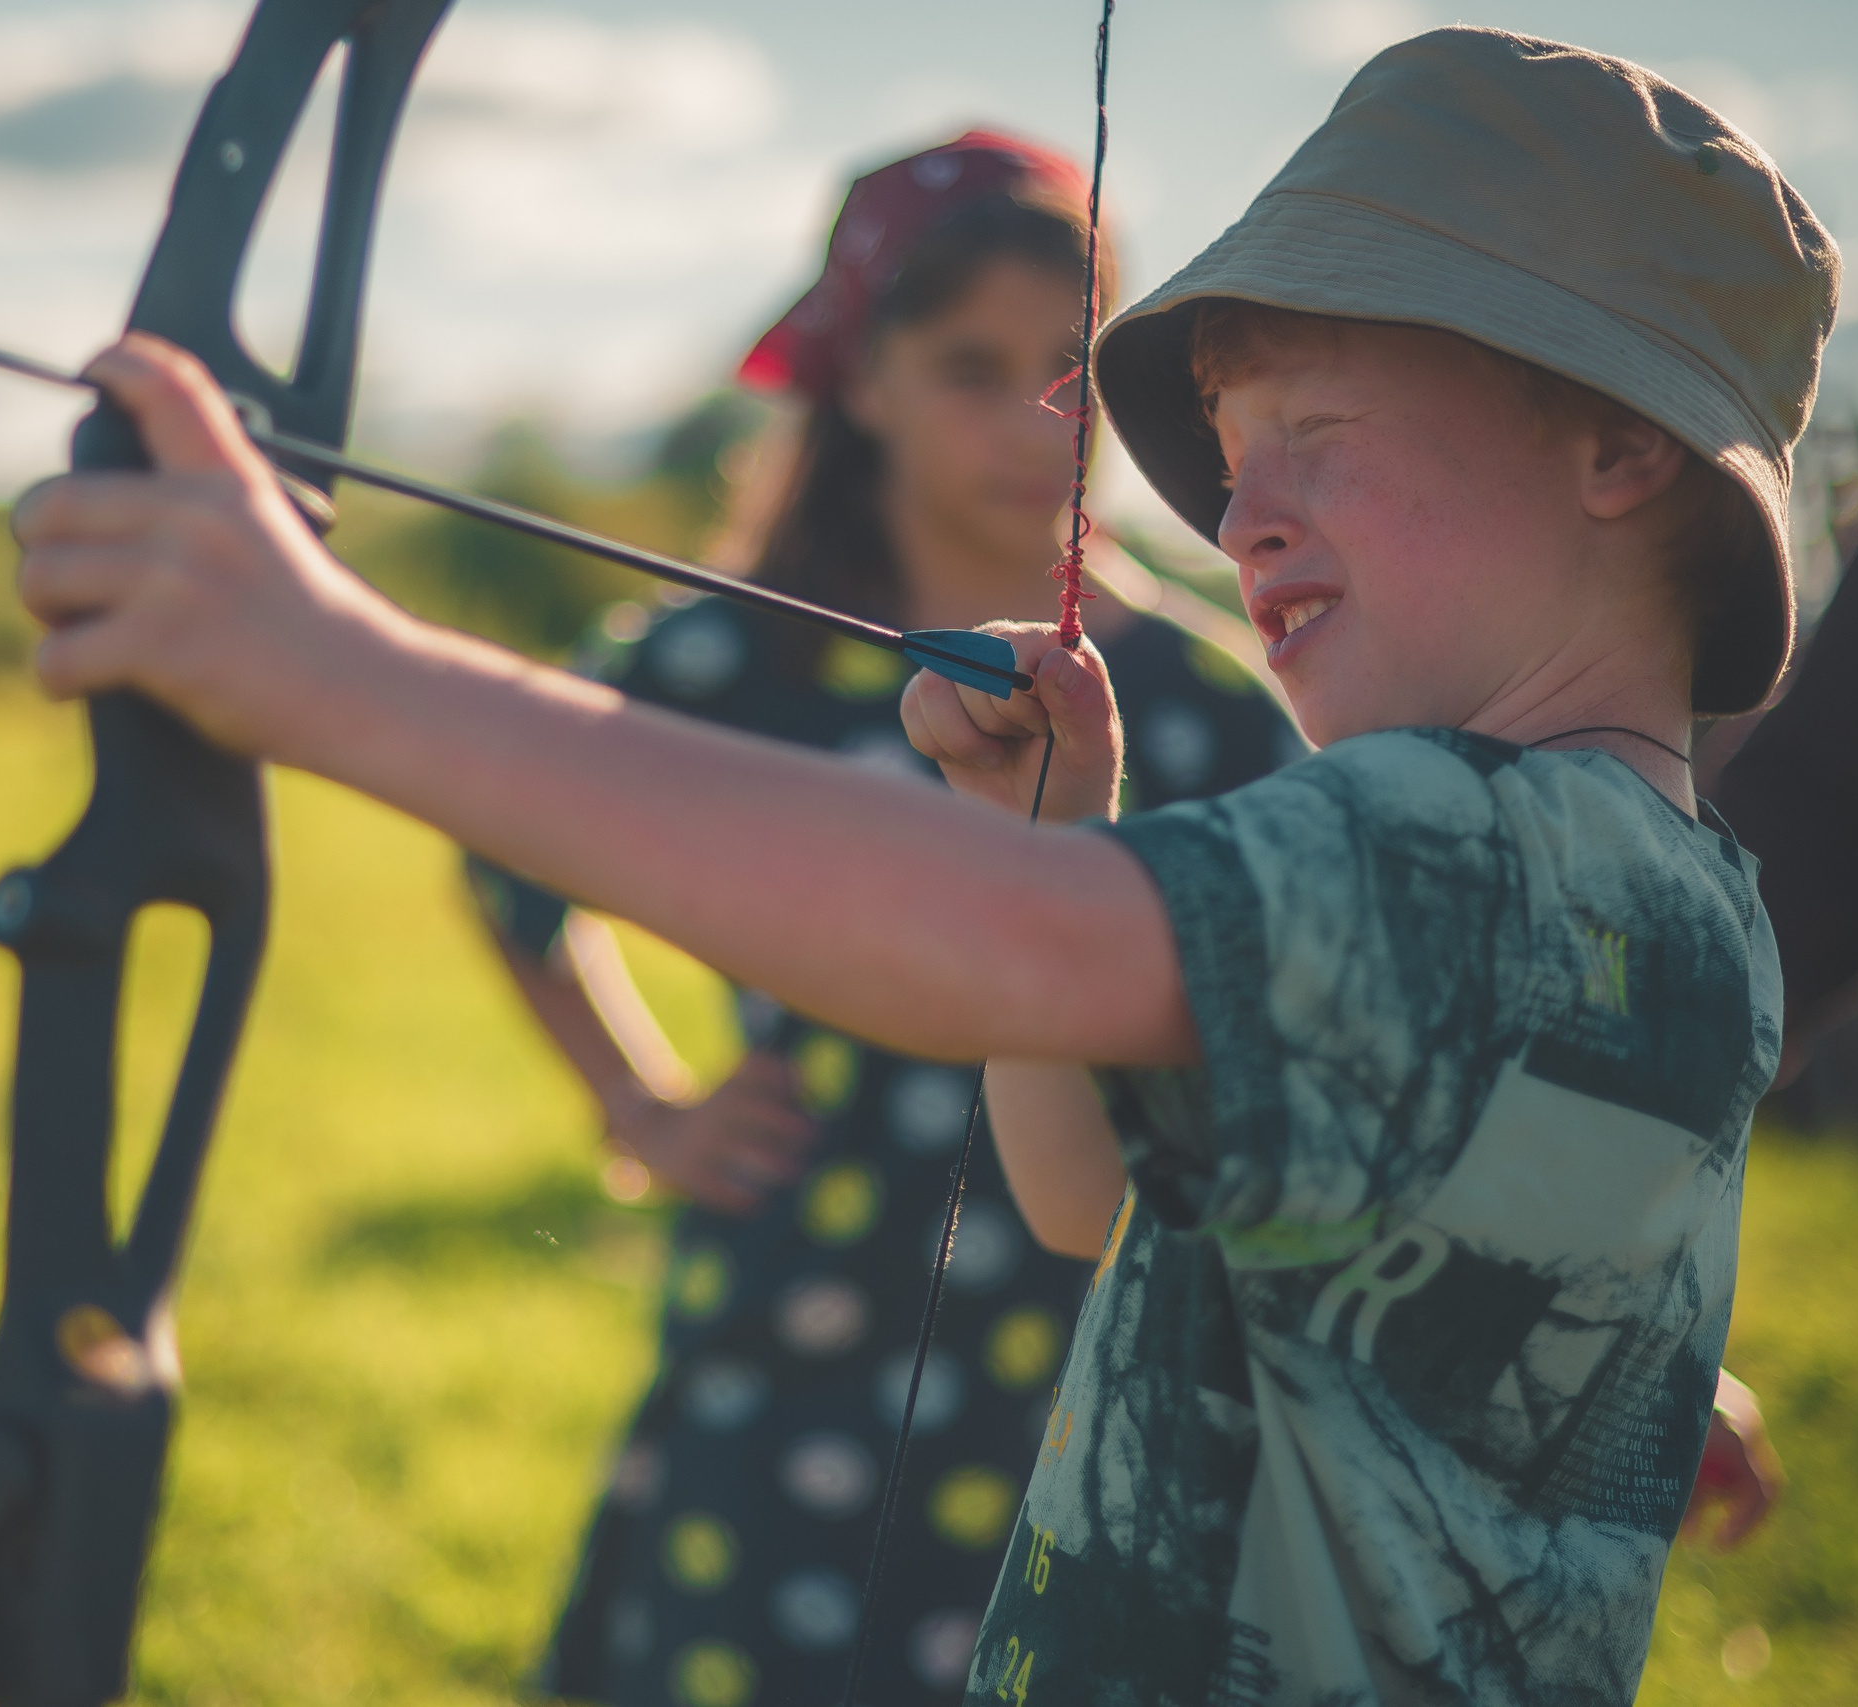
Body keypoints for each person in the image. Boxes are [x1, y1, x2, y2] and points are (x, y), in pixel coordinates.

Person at [7, 26, 1832, 1704]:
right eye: (1228, 454)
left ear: (1619, 444)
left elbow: (1010, 947)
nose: (1237, 515)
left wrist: (327, 665)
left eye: (1320, 435)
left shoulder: (1466, 845)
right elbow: (1094, 1200)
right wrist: (1050, 839)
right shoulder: (1661, 900)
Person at [458, 133, 1302, 1707]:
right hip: (788, 1323)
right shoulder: (734, 663)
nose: (1036, 423)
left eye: (1071, 372)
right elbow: (506, 845)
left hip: (1092, 1349)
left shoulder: (1206, 704)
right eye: (970, 369)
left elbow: (1334, 1032)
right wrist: (642, 1105)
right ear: (861, 384)